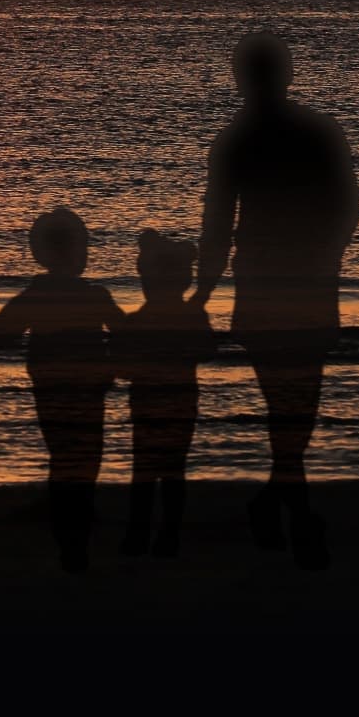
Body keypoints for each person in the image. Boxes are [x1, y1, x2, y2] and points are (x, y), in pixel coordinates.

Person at [192, 30, 359, 568]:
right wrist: (329, 253)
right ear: (285, 74)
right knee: (295, 408)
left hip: (273, 284)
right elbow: (347, 205)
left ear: (240, 78)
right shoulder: (315, 133)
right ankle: (297, 517)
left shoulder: (236, 141)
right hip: (300, 283)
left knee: (287, 409)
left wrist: (202, 295)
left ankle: (280, 505)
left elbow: (216, 229)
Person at [0, 208, 123, 571]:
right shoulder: (95, 295)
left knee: (64, 454)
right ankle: (74, 532)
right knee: (84, 455)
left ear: (40, 253)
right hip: (85, 386)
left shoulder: (38, 295)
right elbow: (127, 334)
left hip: (53, 386)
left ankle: (70, 531)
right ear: (81, 252)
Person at [115, 228, 214, 558]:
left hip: (147, 401)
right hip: (182, 400)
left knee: (144, 470)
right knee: (174, 470)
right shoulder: (191, 316)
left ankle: (139, 535)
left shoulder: (137, 321)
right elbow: (208, 349)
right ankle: (168, 535)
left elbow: (122, 367)